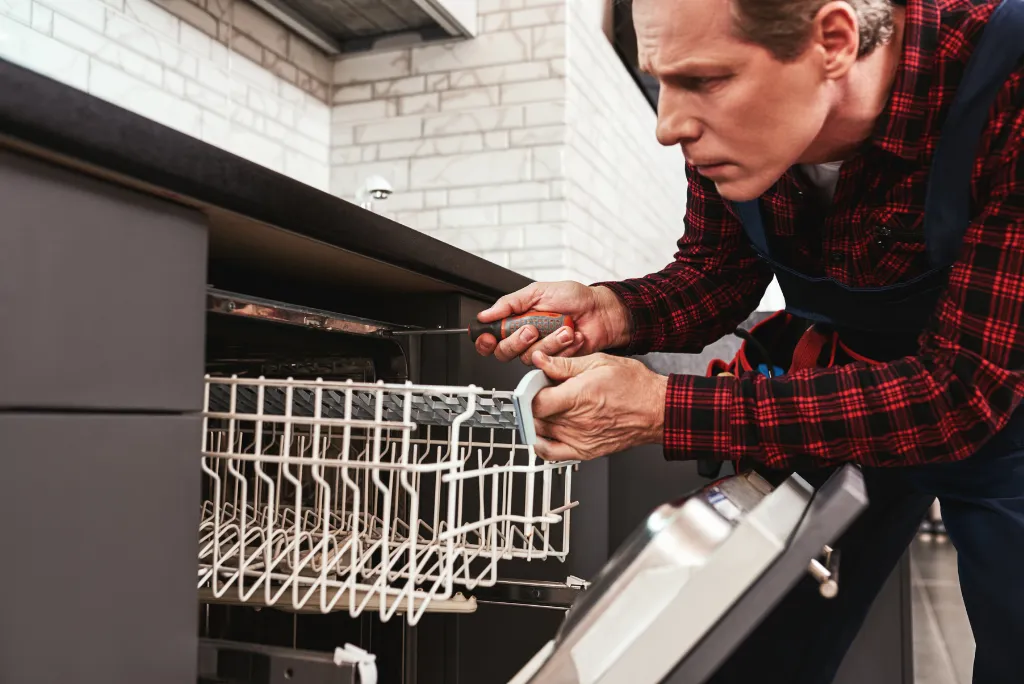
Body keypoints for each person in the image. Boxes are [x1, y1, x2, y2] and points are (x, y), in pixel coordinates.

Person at [474, 0, 1024, 682]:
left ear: (833, 41)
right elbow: (718, 272)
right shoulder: (732, 134)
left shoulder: (1008, 79)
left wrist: (663, 407)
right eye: (661, 82)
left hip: (999, 407)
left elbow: (962, 392)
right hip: (843, 394)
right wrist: (615, 311)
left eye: (702, 81)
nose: (667, 126)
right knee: (750, 644)